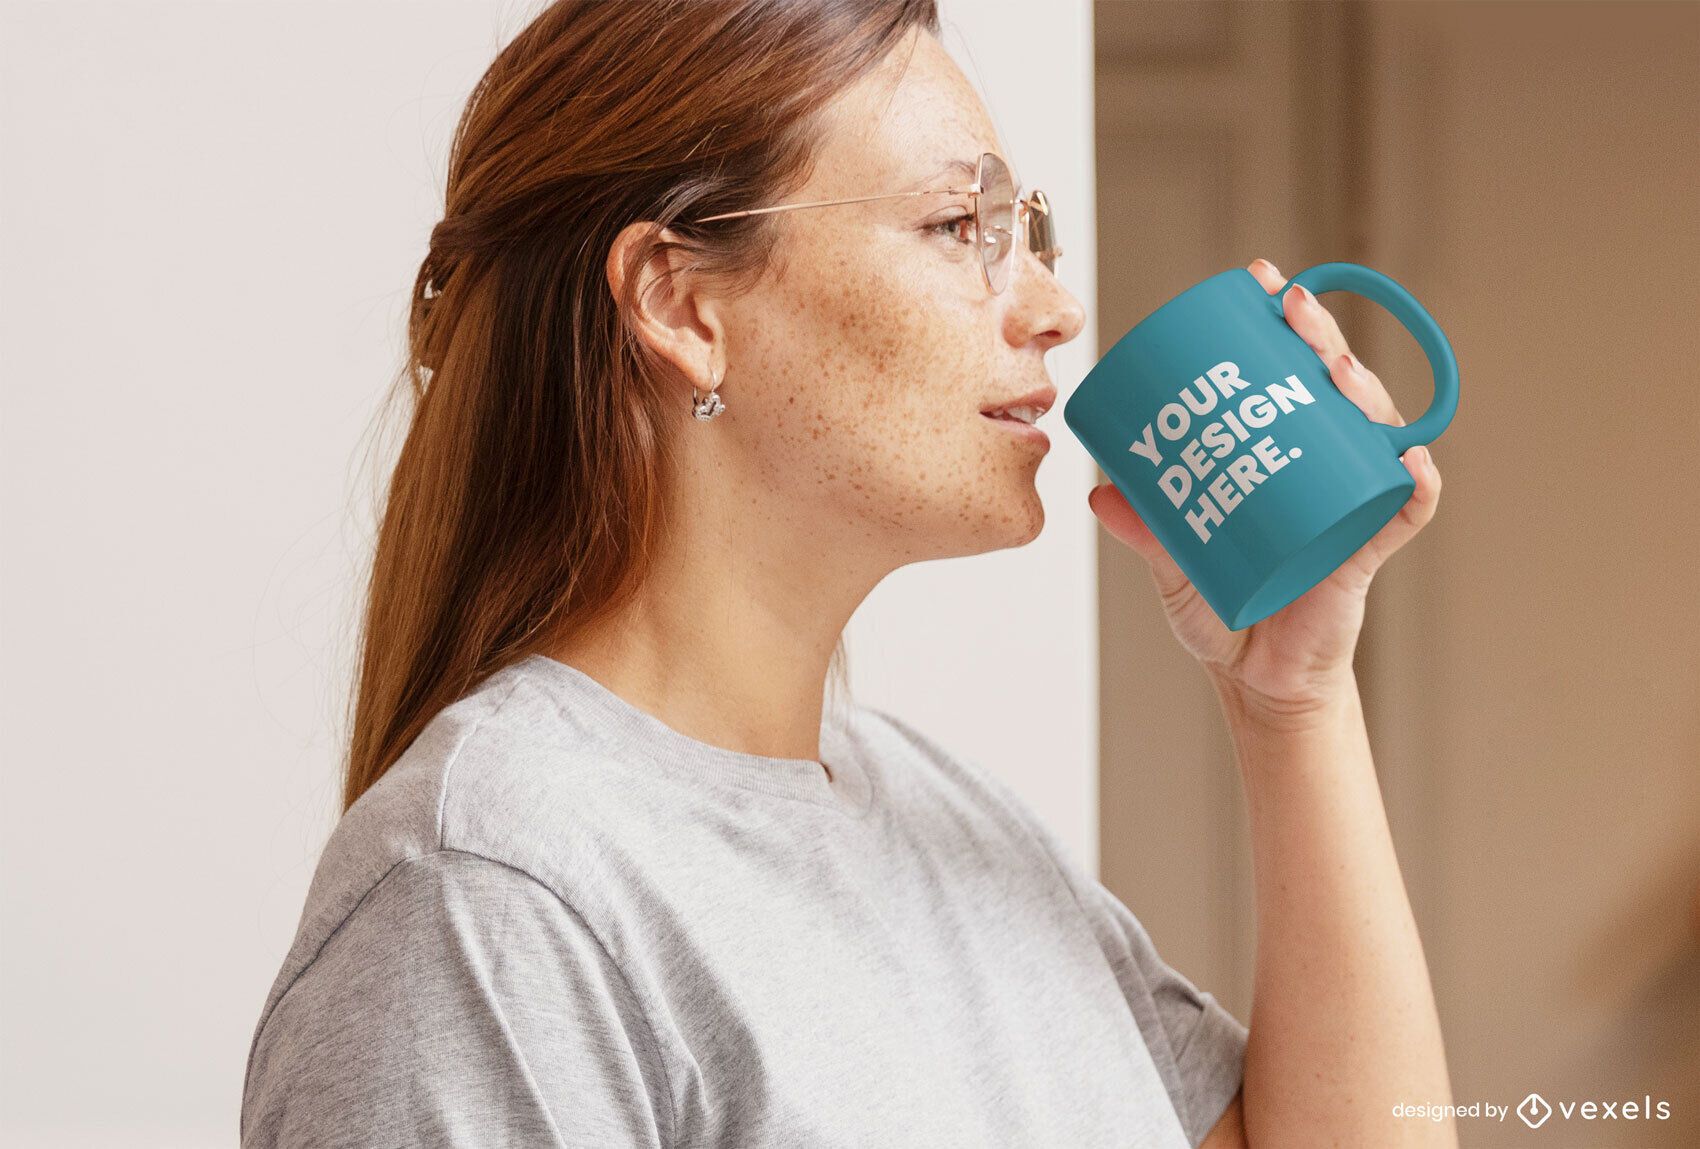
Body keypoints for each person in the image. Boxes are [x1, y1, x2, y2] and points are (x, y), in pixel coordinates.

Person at [240, 2, 1455, 1146]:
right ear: (682, 305)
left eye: (1022, 232)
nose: (1053, 307)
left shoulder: (947, 814)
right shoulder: (489, 899)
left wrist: (1291, 701)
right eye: (956, 228)